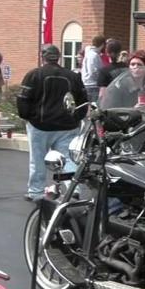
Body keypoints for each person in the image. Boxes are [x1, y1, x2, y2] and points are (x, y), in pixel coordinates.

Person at [17, 44, 87, 202]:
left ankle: (36, 192)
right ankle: (72, 189)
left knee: (38, 159)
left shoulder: (34, 75)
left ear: (43, 57)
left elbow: (23, 99)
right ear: (59, 57)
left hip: (40, 125)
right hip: (67, 125)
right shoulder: (73, 76)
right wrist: (76, 118)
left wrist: (27, 116)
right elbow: (83, 100)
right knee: (68, 159)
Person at [81, 35, 106, 104]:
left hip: (90, 85)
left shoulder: (93, 54)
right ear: (102, 45)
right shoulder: (93, 55)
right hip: (92, 86)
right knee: (94, 107)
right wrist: (101, 77)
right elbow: (92, 71)